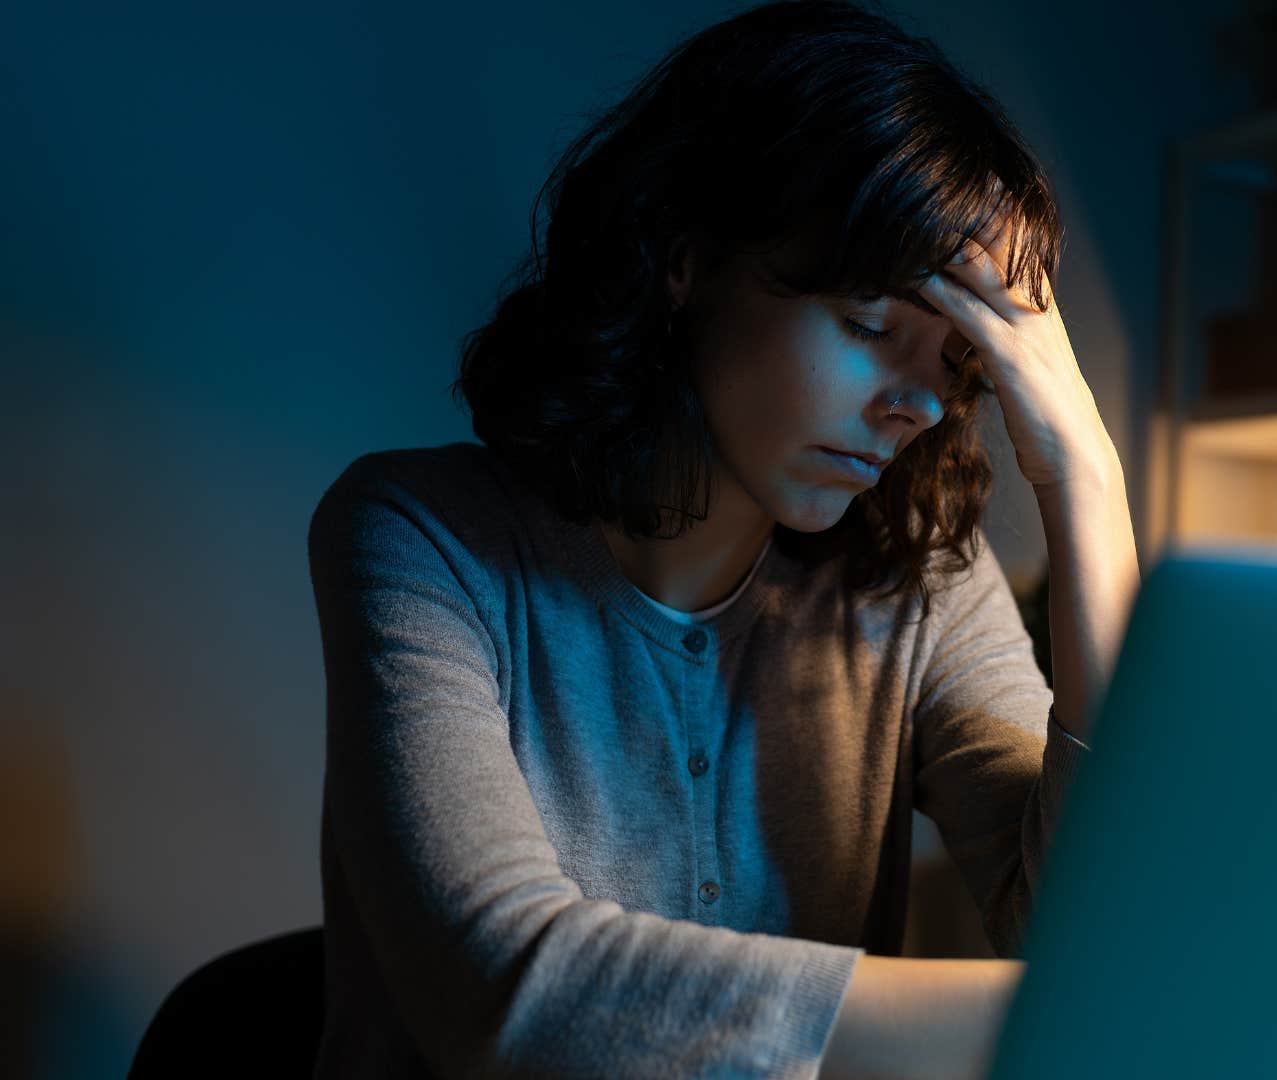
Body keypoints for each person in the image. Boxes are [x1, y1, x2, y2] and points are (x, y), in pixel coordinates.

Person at [305, 1, 1141, 1075]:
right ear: (688, 258)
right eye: (872, 328)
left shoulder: (918, 583)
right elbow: (508, 991)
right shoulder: (417, 541)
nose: (919, 405)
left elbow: (1089, 935)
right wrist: (1063, 1023)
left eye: (957, 367)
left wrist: (1088, 476)